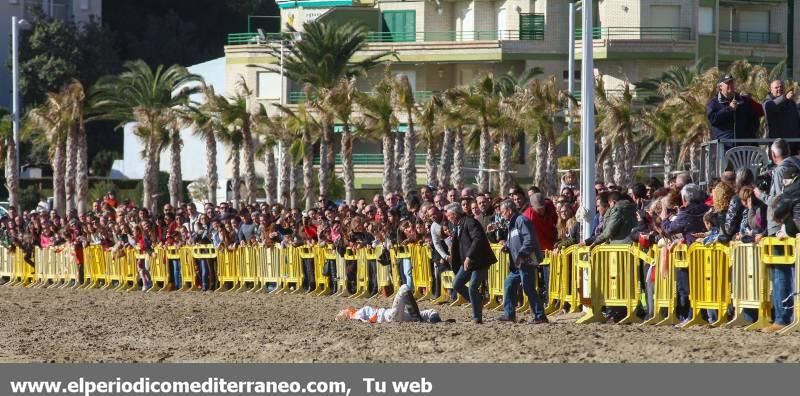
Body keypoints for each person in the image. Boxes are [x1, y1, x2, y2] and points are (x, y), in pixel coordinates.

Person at [492, 200, 548, 324]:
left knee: (528, 288)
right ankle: (509, 314)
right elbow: (514, 241)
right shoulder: (512, 224)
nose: (501, 215)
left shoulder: (521, 221)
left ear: (509, 210)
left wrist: (521, 255)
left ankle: (540, 315)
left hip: (525, 261)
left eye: (502, 212)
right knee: (509, 284)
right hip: (518, 264)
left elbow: (529, 240)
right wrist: (506, 246)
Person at [661, 183, 709, 323]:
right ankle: (704, 315)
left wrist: (664, 218)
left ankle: (691, 315)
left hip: (691, 254)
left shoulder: (686, 213)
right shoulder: (707, 209)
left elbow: (669, 230)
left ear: (685, 199)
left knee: (688, 288)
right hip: (707, 253)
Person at [445, 202, 497, 324]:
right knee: (457, 284)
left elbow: (478, 239)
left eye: (449, 215)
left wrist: (468, 257)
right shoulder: (456, 226)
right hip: (467, 262)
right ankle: (479, 300)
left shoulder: (470, 222)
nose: (447, 218)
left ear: (455, 214)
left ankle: (477, 317)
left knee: (473, 287)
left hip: (479, 260)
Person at [336, 285, 443, 323]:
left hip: (393, 315)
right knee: (404, 288)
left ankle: (434, 320)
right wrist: (372, 319)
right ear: (347, 314)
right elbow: (361, 321)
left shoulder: (357, 313)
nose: (345, 309)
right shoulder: (355, 315)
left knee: (430, 312)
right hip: (388, 316)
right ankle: (417, 318)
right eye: (343, 311)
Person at [763, 80, 800, 152]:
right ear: (770, 90)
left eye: (781, 87)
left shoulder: (791, 102)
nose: (779, 89)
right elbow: (769, 107)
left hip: (794, 144)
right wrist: (784, 98)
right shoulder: (767, 102)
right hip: (778, 146)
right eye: (776, 87)